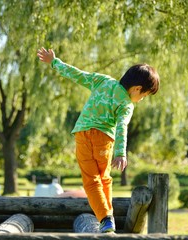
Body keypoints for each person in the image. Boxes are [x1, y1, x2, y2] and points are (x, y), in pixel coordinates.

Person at [37, 47, 160, 233]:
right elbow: (121, 127)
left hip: (82, 134)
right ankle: (106, 218)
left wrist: (55, 62)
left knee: (91, 181)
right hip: (103, 139)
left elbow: (78, 75)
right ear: (137, 89)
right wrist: (120, 153)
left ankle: (106, 218)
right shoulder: (126, 104)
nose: (141, 99)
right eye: (143, 96)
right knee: (104, 179)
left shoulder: (103, 81)